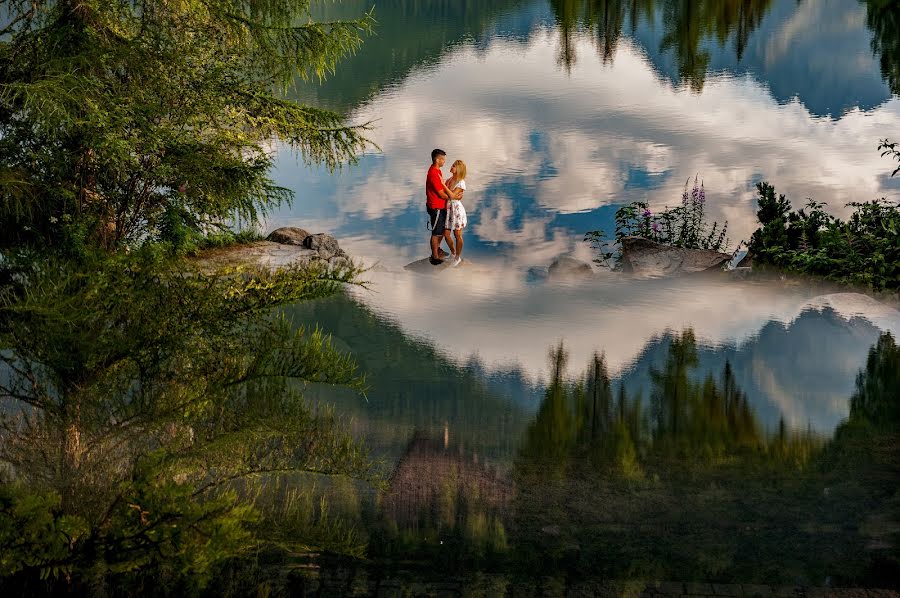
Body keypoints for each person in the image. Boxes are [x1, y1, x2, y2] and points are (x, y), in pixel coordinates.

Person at [425, 148, 455, 265]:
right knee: (436, 233)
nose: (444, 162)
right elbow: (441, 194)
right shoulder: (434, 174)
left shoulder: (437, 171)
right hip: (436, 207)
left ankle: (437, 249)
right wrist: (454, 197)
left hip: (439, 206)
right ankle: (435, 257)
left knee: (441, 230)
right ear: (437, 160)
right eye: (443, 160)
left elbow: (442, 189)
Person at [444, 160, 467, 266]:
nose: (451, 166)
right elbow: (446, 194)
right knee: (446, 233)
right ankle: (453, 253)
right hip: (448, 209)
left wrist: (442, 184)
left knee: (457, 234)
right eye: (452, 164)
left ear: (458, 169)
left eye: (454, 166)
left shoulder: (461, 182)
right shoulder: (449, 180)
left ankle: (457, 257)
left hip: (456, 210)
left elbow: (452, 195)